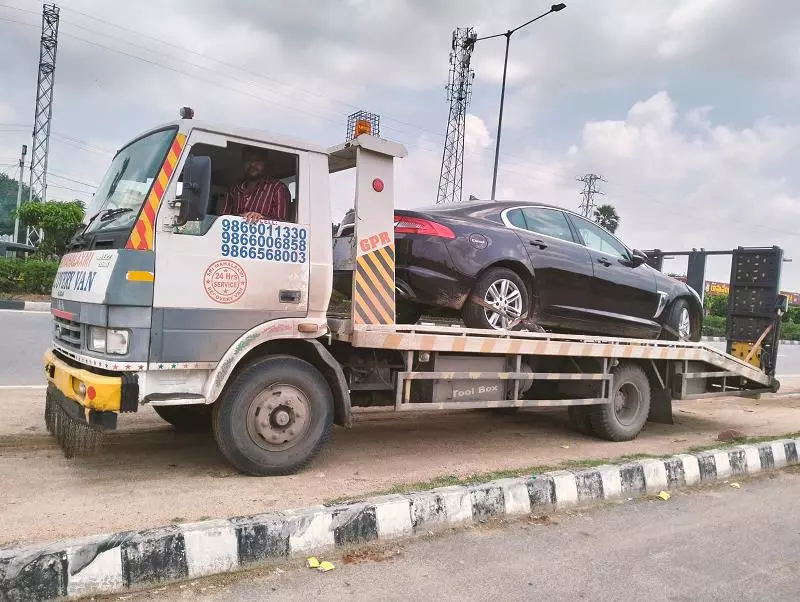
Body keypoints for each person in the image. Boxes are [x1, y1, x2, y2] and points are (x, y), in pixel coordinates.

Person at [220, 146, 291, 223]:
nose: (252, 164)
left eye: (257, 160)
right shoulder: (234, 188)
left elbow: (282, 222)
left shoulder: (278, 188)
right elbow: (224, 217)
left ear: (265, 163)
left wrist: (262, 219)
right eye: (248, 160)